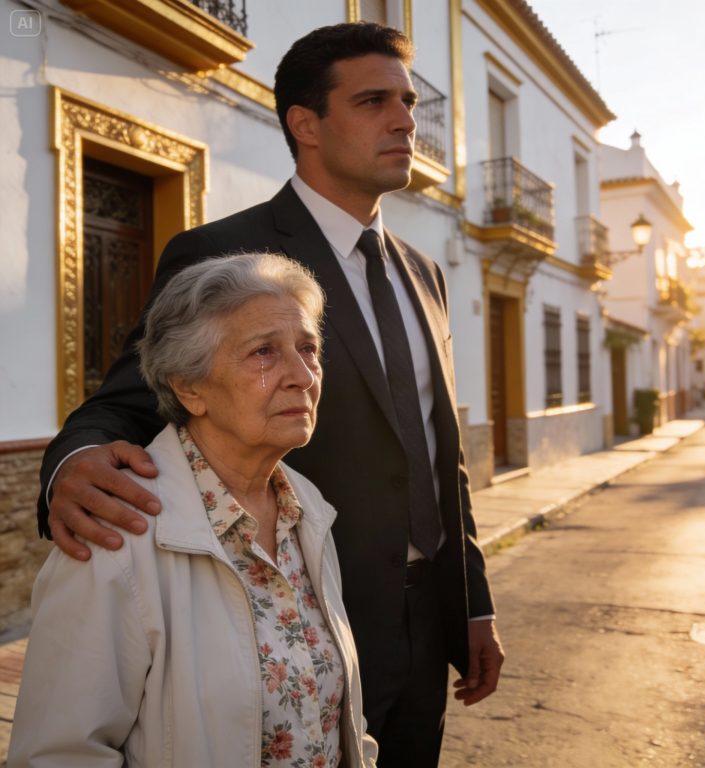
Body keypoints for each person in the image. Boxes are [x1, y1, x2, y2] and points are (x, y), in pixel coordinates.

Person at [37, 22, 504, 767]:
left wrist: (470, 600)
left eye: (409, 101)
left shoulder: (426, 274)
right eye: (375, 100)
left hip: (428, 625)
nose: (406, 120)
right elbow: (129, 398)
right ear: (305, 124)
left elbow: (437, 452)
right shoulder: (227, 252)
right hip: (300, 627)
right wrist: (74, 465)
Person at [11, 252, 377, 767]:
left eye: (308, 348)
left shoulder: (306, 511)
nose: (303, 375)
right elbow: (57, 755)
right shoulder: (118, 536)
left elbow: (336, 720)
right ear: (190, 387)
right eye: (264, 353)